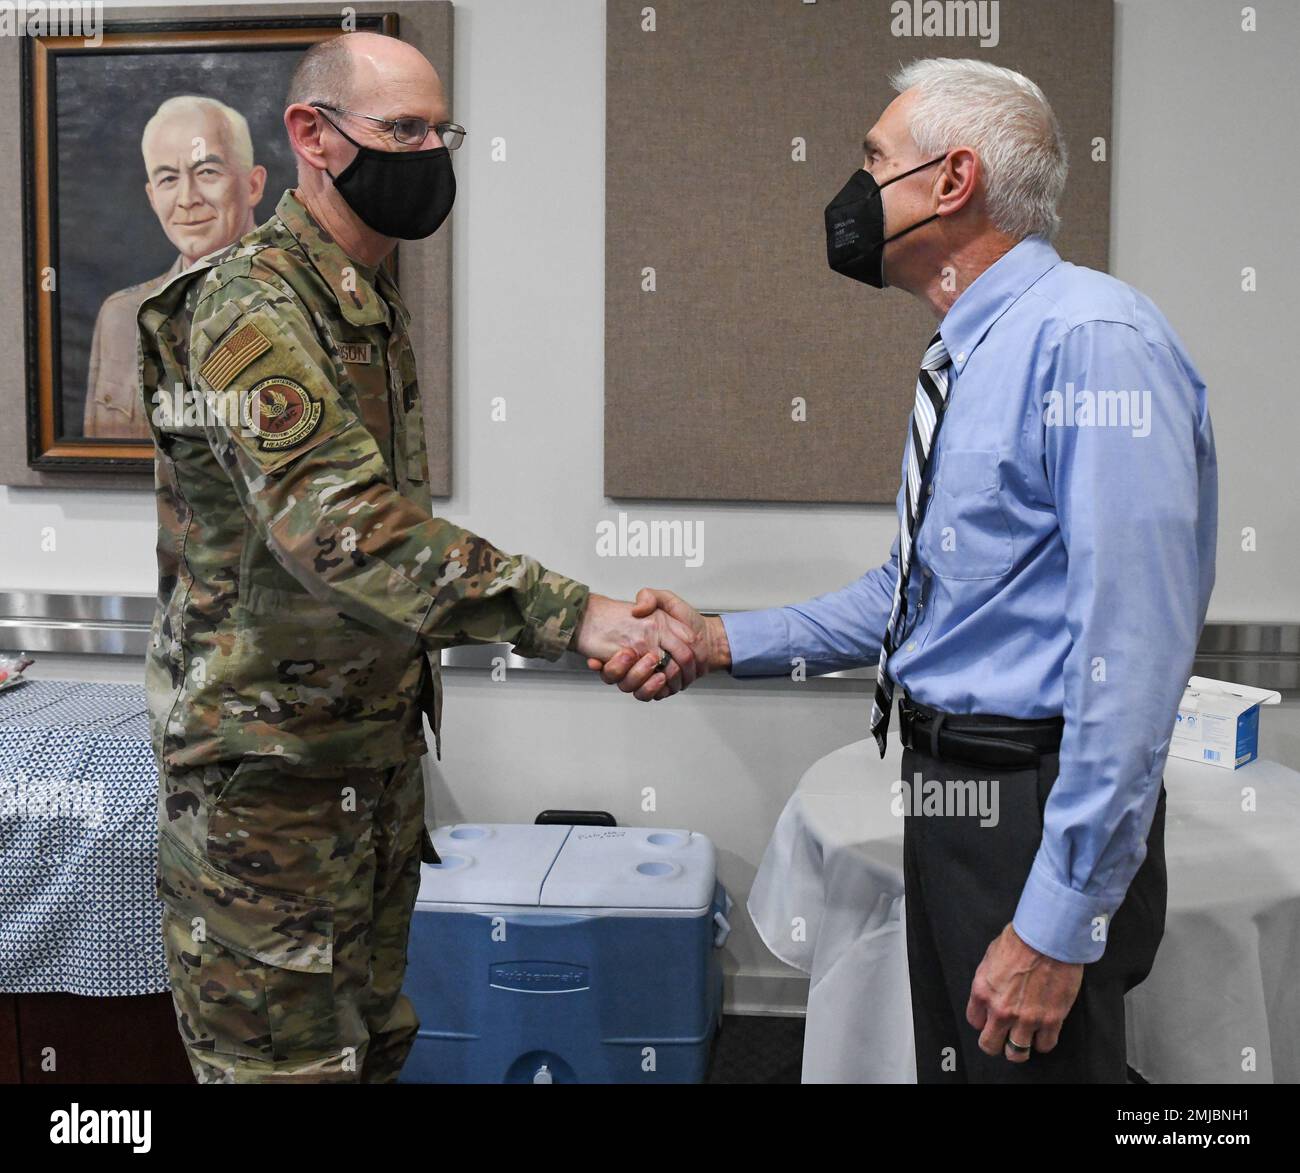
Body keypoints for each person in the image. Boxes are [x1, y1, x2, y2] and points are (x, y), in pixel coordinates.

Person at [592, 57, 1217, 1084]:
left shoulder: (1093, 343)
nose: (850, 189)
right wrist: (715, 640)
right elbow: (911, 600)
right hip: (954, 790)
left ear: (951, 180)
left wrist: (1059, 921)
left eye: (874, 158)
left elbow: (1133, 655)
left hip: (1031, 800)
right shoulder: (969, 354)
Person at [137, 31, 697, 1084]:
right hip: (269, 788)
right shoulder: (246, 306)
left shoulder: (359, 297)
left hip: (360, 764)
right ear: (314, 136)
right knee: (284, 1071)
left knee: (371, 1045)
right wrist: (577, 616)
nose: (431, 154)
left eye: (441, 131)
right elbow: (336, 525)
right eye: (403, 131)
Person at [85, 95, 267, 439]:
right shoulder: (121, 318)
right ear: (153, 197)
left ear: (253, 185)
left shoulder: (300, 303)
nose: (187, 198)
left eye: (207, 172)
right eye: (168, 179)